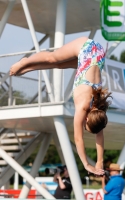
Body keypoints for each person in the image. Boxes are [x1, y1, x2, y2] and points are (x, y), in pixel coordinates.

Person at [10, 37, 112, 175]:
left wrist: (100, 161)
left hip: (97, 54)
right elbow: (78, 138)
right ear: (86, 119)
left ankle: (28, 68)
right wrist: (87, 164)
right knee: (53, 58)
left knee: (59, 65)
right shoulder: (82, 106)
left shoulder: (98, 109)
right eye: (84, 125)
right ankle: (26, 61)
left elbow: (99, 133)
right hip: (84, 46)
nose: (82, 123)